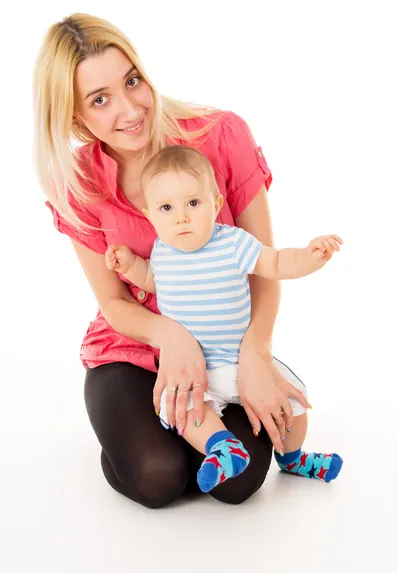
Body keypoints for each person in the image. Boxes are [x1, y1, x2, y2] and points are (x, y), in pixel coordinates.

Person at [33, 13, 332, 509]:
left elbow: (266, 264)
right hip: (132, 347)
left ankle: (180, 433)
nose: (130, 110)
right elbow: (113, 300)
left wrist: (256, 353)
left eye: (132, 81)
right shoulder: (78, 185)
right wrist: (170, 336)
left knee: (238, 482)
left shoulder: (220, 135)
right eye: (100, 99)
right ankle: (138, 441)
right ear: (72, 116)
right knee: (157, 478)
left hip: (223, 349)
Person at [104, 145, 344, 492]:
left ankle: (294, 458)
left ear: (215, 204)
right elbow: (151, 280)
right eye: (167, 208)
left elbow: (274, 263)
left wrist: (309, 257)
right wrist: (128, 264)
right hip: (195, 370)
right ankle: (224, 447)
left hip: (241, 361)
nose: (181, 217)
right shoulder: (162, 252)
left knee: (292, 404)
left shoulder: (231, 243)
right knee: (184, 412)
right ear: (150, 215)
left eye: (193, 203)